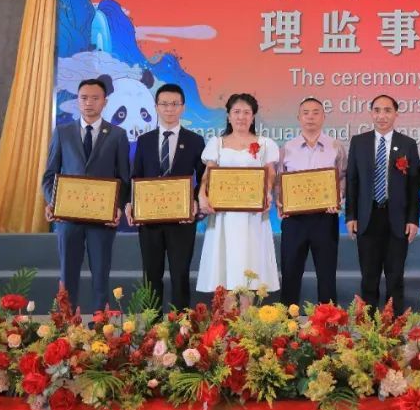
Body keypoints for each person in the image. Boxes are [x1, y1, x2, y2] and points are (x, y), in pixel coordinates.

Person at [42, 78, 130, 311]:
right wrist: (52, 202)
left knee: (101, 273)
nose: (89, 103)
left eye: (95, 98)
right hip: (68, 219)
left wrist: (118, 207)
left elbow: (123, 178)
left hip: (102, 220)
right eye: (84, 98)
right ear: (77, 100)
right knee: (67, 272)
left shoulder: (117, 135)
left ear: (105, 102)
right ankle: (66, 323)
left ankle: (101, 324)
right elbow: (49, 176)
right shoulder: (62, 132)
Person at [125, 83, 206, 311]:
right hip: (150, 219)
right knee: (151, 274)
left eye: (174, 104)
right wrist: (131, 203)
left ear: (183, 107)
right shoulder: (144, 140)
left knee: (180, 274)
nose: (169, 108)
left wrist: (195, 201)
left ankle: (180, 324)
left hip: (182, 220)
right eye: (164, 104)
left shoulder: (195, 140)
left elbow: (203, 179)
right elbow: (136, 176)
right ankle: (152, 322)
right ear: (156, 107)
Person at [196, 93, 280, 292]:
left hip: (254, 215)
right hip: (224, 215)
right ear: (228, 116)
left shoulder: (265, 144)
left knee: (251, 263)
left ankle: (247, 312)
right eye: (236, 112)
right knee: (225, 265)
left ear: (253, 117)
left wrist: (267, 193)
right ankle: (226, 312)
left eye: (246, 112)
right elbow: (208, 173)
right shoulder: (217, 143)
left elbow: (270, 173)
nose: (241, 117)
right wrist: (201, 195)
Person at [345, 94, 420, 311]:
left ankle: (395, 324)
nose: (382, 116)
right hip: (367, 217)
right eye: (377, 110)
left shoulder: (407, 144)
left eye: (387, 110)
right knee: (369, 277)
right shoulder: (359, 142)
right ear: (371, 113)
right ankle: (369, 326)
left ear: (396, 114)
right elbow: (352, 181)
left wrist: (413, 219)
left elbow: (413, 185)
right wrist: (351, 216)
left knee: (395, 277)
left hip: (397, 219)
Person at [276, 97, 346, 306]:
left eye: (316, 112)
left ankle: (328, 320)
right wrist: (281, 202)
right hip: (294, 220)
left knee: (326, 275)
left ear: (323, 117)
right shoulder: (286, 148)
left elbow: (343, 178)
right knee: (290, 272)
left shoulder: (336, 147)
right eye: (305, 113)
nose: (310, 117)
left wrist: (338, 199)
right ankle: (287, 321)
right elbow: (279, 181)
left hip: (325, 218)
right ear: (298, 117)